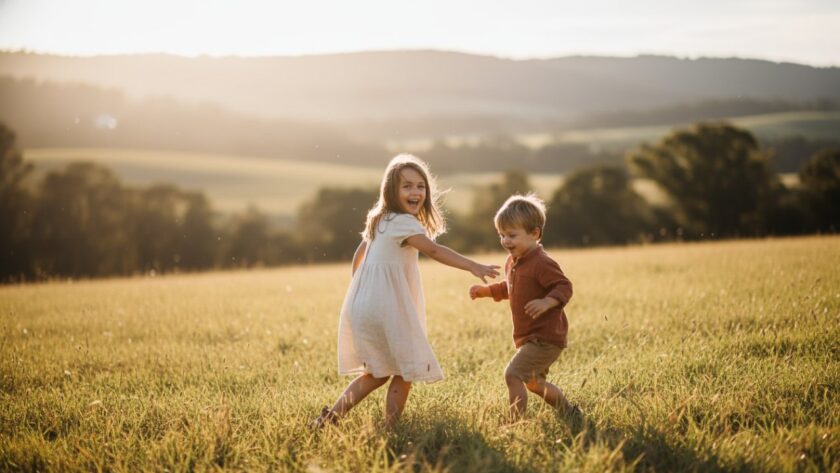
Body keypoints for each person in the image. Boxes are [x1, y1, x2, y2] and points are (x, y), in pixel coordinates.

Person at [311, 154, 500, 429]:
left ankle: (328, 418)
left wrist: (360, 288)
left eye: (420, 186)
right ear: (391, 191)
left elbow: (359, 254)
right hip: (387, 307)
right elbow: (434, 250)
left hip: (364, 304)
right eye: (407, 186)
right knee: (405, 368)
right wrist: (472, 266)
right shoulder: (404, 223)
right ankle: (391, 427)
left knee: (376, 373)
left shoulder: (380, 219)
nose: (416, 192)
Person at [468, 193, 578, 421]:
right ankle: (570, 412)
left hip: (545, 337)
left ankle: (515, 424)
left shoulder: (541, 262)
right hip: (529, 336)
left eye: (512, 235)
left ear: (534, 234)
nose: (505, 241)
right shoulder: (514, 262)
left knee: (513, 374)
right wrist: (486, 292)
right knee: (535, 383)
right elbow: (510, 288)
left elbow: (564, 286)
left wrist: (547, 301)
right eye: (501, 235)